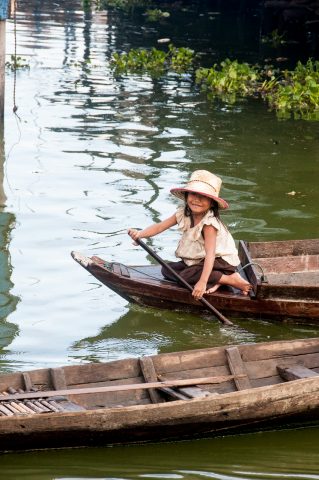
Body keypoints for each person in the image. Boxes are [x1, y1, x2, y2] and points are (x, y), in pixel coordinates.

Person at [128, 170, 251, 300]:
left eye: (203, 197)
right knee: (166, 270)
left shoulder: (209, 224)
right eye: (193, 194)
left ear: (211, 202)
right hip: (200, 259)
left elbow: (210, 255)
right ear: (187, 196)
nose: (197, 200)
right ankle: (218, 279)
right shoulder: (183, 213)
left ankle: (229, 278)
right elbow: (160, 227)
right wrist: (140, 234)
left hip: (220, 260)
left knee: (186, 277)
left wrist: (202, 283)